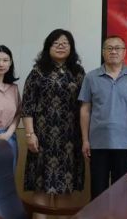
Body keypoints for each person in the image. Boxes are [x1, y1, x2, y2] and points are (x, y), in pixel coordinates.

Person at [79, 35, 127, 200]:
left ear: (124, 52)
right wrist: (85, 140)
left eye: (118, 48)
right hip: (97, 142)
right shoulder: (91, 77)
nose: (113, 51)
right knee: (98, 191)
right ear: (103, 52)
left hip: (125, 143)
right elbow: (85, 109)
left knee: (122, 193)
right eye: (109, 48)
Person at [21, 29, 85, 194]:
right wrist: (30, 134)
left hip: (71, 136)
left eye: (65, 43)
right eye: (56, 43)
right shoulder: (38, 71)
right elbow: (27, 105)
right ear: (48, 47)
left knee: (67, 186)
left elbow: (85, 105)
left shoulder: (78, 72)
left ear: (71, 47)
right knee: (41, 185)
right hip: (43, 136)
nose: (60, 46)